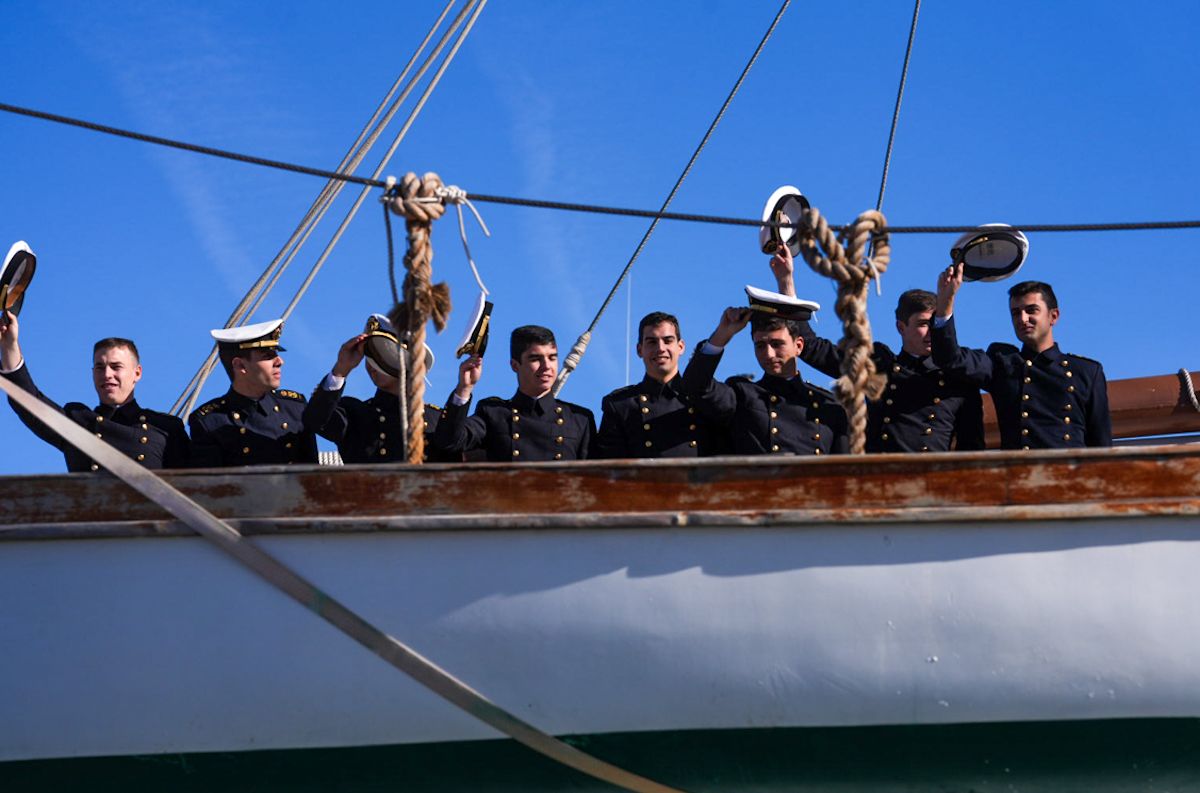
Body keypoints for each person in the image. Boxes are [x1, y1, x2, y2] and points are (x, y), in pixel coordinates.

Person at [769, 243, 984, 453]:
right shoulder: (879, 365)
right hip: (879, 478)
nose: (931, 332)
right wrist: (786, 281)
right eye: (922, 324)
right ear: (901, 327)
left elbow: (972, 451)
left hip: (932, 483)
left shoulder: (959, 380)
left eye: (934, 324)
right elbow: (812, 347)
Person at [932, 262, 1111, 449]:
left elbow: (1100, 444)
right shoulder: (1002, 363)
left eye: (1031, 310)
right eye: (1016, 313)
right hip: (1019, 474)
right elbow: (951, 358)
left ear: (1054, 316)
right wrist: (945, 303)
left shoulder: (1087, 371)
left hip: (1069, 475)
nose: (1022, 319)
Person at [0, 310, 190, 472]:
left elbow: (193, 488)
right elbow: (28, 402)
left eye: (116, 367)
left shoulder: (166, 429)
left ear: (137, 373)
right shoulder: (79, 423)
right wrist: (10, 346)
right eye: (100, 367)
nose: (107, 374)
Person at [680, 302, 849, 456]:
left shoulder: (829, 406)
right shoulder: (743, 395)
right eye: (760, 346)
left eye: (777, 344)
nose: (768, 354)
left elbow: (844, 472)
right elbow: (694, 386)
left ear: (798, 346)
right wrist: (723, 334)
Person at [305, 314, 454, 463]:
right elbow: (315, 420)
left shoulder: (436, 420)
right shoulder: (355, 415)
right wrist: (341, 369)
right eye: (369, 356)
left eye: (384, 355)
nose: (372, 366)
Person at [434, 325, 596, 461]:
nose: (547, 366)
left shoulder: (580, 420)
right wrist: (464, 388)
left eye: (552, 358)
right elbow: (449, 442)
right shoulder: (493, 413)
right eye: (535, 359)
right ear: (515, 365)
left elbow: (595, 481)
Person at [188, 318, 319, 466]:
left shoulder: (294, 407)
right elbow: (211, 485)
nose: (279, 361)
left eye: (276, 354)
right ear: (240, 365)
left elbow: (313, 476)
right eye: (267, 356)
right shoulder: (210, 421)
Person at [595, 311, 721, 458]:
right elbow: (610, 469)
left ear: (681, 347)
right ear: (639, 350)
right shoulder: (620, 405)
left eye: (668, 341)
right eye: (652, 342)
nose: (660, 348)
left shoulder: (705, 397)